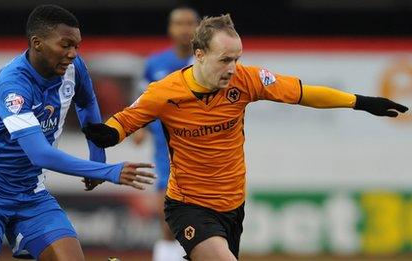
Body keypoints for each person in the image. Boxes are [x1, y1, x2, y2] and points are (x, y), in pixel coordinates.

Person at [82, 14, 409, 261]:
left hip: (233, 206)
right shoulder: (164, 93)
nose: (232, 67)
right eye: (225, 59)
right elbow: (120, 125)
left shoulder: (247, 80)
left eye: (236, 58)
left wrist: (362, 102)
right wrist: (100, 137)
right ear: (198, 54)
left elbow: (304, 93)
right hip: (188, 205)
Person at [0, 4, 155, 261]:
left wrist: (98, 156)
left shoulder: (73, 67)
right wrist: (110, 171)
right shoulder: (13, 86)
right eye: (65, 45)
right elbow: (40, 155)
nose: (72, 54)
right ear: (37, 43)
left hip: (30, 192)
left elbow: (86, 103)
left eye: (76, 46)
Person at [131, 6, 199, 261]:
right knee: (169, 221)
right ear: (170, 29)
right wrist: (139, 126)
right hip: (166, 153)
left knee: (201, 223)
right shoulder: (155, 65)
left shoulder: (208, 64)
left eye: (191, 23)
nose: (185, 29)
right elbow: (143, 101)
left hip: (203, 153)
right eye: (179, 23)